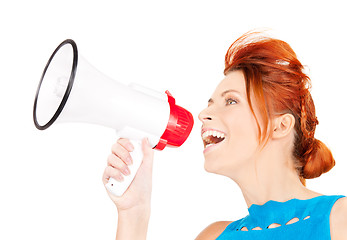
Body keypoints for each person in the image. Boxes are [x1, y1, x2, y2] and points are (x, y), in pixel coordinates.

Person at [102, 31, 347, 239]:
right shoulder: (214, 236)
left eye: (231, 101)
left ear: (280, 126)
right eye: (210, 103)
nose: (203, 113)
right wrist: (134, 213)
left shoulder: (340, 218)